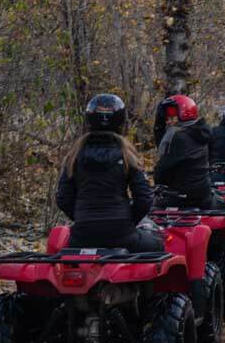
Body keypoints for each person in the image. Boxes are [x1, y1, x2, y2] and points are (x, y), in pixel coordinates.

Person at [56, 93, 157, 251]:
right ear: (120, 121)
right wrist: (129, 220)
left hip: (83, 235)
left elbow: (63, 198)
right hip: (121, 233)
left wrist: (83, 218)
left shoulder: (75, 155)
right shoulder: (127, 154)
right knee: (158, 245)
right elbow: (144, 199)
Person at [153, 94, 225, 209]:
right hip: (203, 194)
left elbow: (160, 176)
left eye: (172, 118)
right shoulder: (200, 132)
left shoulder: (177, 137)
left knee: (145, 210)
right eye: (167, 118)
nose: (168, 122)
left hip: (182, 198)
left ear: (183, 115)